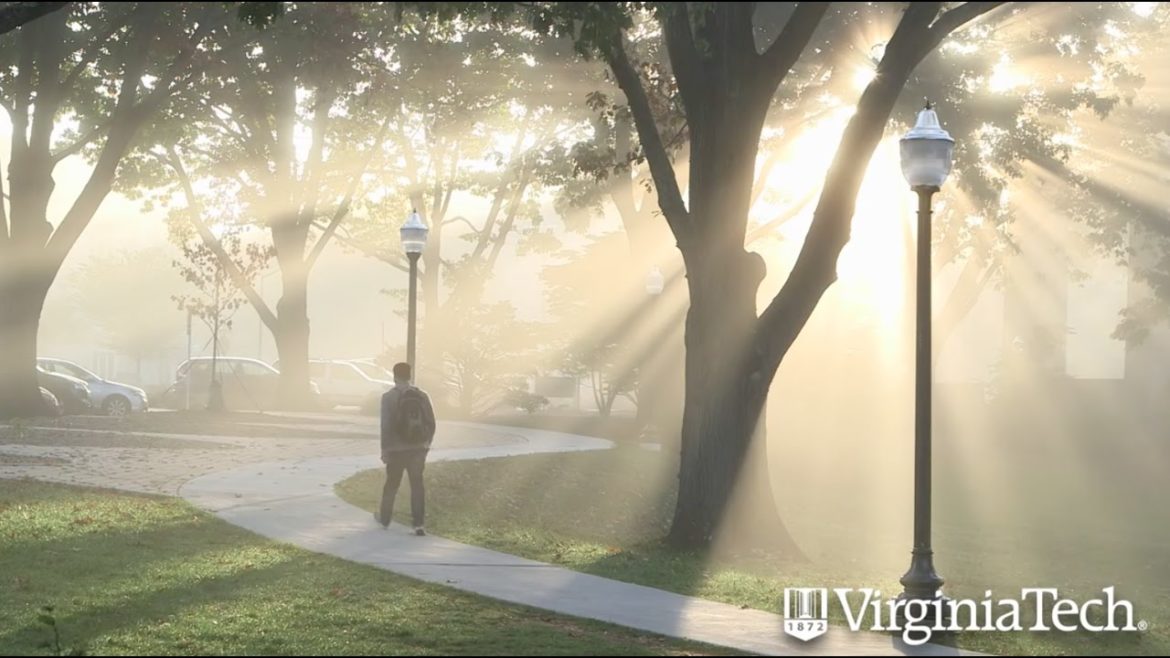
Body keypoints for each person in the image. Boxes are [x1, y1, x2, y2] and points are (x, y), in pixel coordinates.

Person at [376, 362, 436, 536]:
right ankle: (418, 524)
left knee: (392, 484)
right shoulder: (422, 396)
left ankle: (385, 518)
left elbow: (385, 426)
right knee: (417, 485)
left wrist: (385, 450)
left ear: (394, 376)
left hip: (396, 450)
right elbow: (431, 423)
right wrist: (426, 444)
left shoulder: (388, 397)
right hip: (418, 449)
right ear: (410, 375)